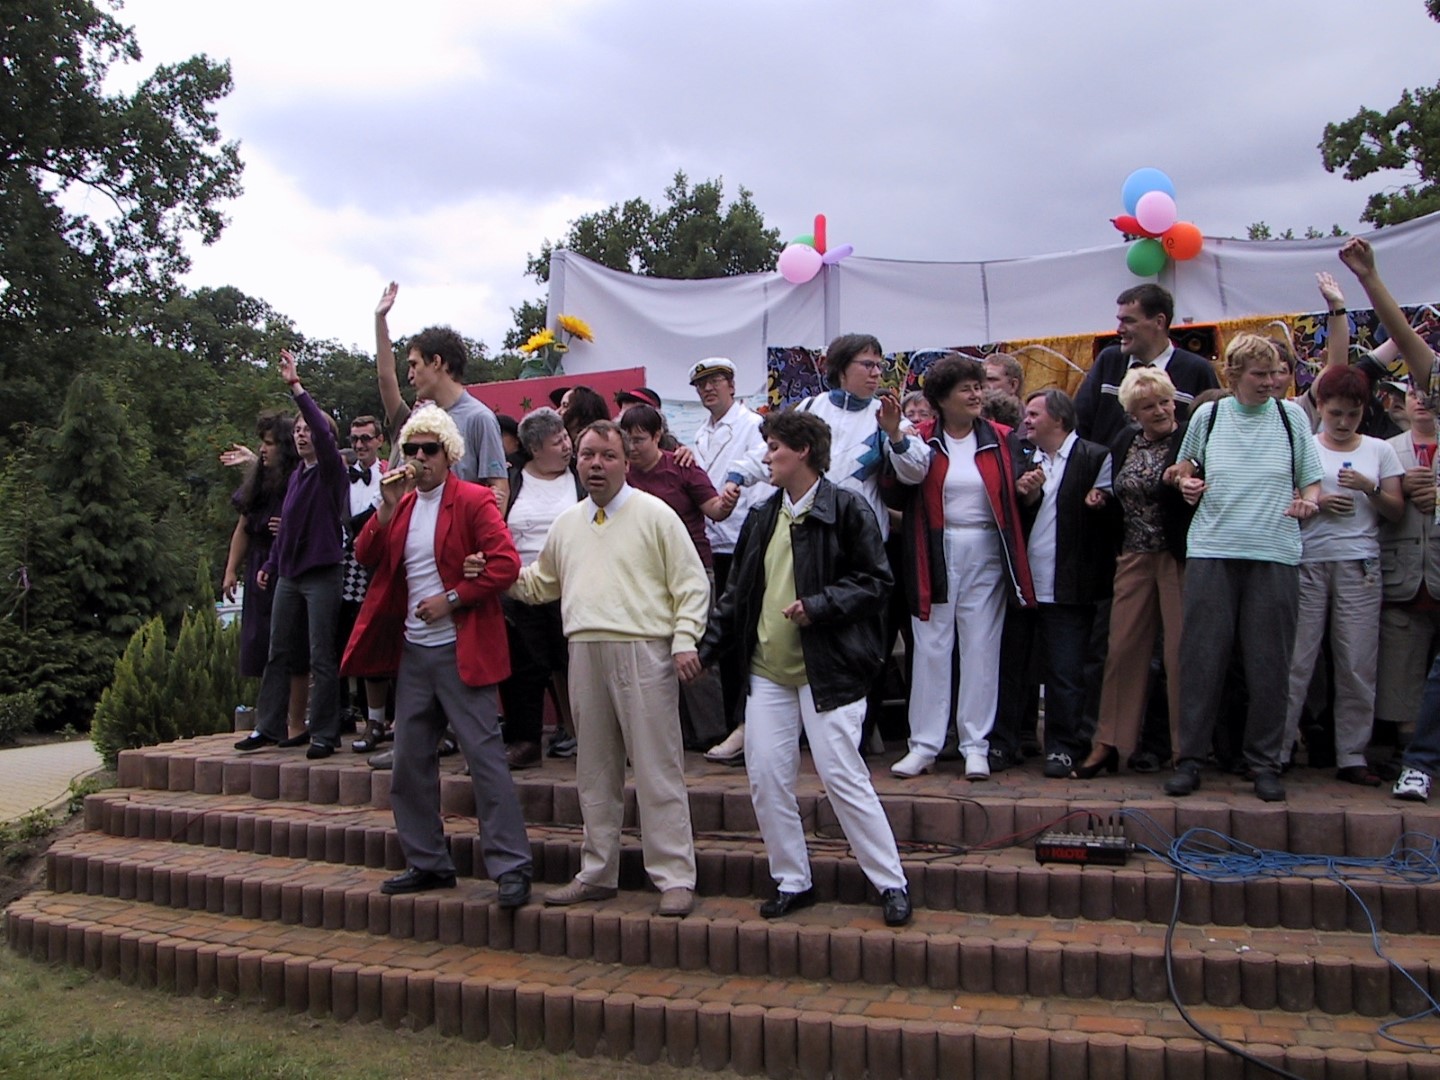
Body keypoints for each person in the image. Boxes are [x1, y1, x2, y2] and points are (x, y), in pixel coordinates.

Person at [698, 409, 911, 927]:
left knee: (842, 776)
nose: (767, 457)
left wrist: (820, 605)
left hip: (830, 669)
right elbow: (737, 595)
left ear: (803, 452)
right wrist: (704, 652)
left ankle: (891, 881)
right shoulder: (761, 516)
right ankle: (792, 879)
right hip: (767, 670)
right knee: (766, 778)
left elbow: (877, 582)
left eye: (774, 447)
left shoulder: (848, 508)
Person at [502, 421, 709, 918]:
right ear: (576, 461)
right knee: (593, 771)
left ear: (626, 463)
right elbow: (539, 584)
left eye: (608, 456)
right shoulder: (567, 524)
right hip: (584, 650)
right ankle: (597, 871)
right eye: (588, 455)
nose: (596, 465)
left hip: (644, 650)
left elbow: (691, 584)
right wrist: (495, 572)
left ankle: (675, 876)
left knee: (657, 768)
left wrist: (685, 640)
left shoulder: (655, 514)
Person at [342, 406, 532, 903]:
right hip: (415, 653)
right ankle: (427, 861)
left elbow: (505, 564)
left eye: (430, 449)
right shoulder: (401, 505)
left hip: (460, 647)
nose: (419, 458)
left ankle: (511, 867)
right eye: (411, 449)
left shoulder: (472, 500)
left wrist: (452, 598)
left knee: (485, 761)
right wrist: (385, 508)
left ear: (449, 455)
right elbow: (364, 555)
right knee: (408, 764)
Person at [1163, 333, 1323, 802]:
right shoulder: (1209, 415)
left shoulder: (1291, 416)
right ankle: (1190, 759)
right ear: (1233, 375)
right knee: (1201, 660)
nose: (1270, 382)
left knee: (1270, 663)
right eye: (1259, 374)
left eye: (1274, 373)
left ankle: (1264, 762)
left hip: (1274, 551)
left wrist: (1309, 503)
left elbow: (1311, 479)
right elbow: (1183, 467)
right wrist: (1187, 482)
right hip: (1213, 549)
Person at [890, 355, 1034, 781]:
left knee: (981, 646)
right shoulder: (920, 438)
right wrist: (894, 437)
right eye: (966, 389)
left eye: (978, 387)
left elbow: (1022, 491)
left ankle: (975, 745)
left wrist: (1028, 488)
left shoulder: (1002, 437)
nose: (976, 394)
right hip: (933, 548)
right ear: (941, 399)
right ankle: (924, 745)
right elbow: (901, 483)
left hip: (986, 548)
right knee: (931, 645)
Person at [1280, 366, 1403, 782]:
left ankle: (1352, 755)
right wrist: (1319, 502)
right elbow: (1285, 501)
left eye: (1353, 414)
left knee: (1356, 662)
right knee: (1297, 660)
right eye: (1335, 413)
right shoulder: (1306, 447)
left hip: (1359, 561)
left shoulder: (1379, 450)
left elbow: (1395, 510)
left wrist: (1370, 488)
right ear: (1320, 408)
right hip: (1309, 560)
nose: (1344, 422)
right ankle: (1279, 749)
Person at [1076, 368, 1192, 778]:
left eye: (1164, 402)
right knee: (1122, 649)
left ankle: (1185, 750)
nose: (1160, 411)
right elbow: (1117, 487)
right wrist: (1100, 497)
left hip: (1177, 556)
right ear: (1133, 413)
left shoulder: (1189, 439)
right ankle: (1108, 742)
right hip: (1133, 554)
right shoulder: (1125, 440)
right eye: (1148, 406)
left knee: (1179, 653)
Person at [235, 350, 349, 758]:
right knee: (278, 650)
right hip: (289, 573)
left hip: (321, 573)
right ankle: (267, 726)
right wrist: (270, 563)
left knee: (321, 655)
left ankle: (324, 734)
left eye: (307, 430)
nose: (301, 435)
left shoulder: (331, 471)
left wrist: (296, 387)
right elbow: (287, 526)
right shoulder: (298, 475)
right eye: (297, 430)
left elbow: (321, 429)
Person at [618, 403, 736, 751]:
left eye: (639, 439)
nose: (633, 447)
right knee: (657, 653)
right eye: (627, 440)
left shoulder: (681, 467)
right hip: (644, 576)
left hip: (692, 570)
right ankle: (676, 733)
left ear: (657, 436)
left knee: (695, 650)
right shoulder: (622, 475)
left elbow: (713, 509)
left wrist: (727, 502)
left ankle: (713, 733)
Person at [1014, 389, 1114, 777]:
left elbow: (1111, 514)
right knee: (1016, 668)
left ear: (1058, 419)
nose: (1027, 421)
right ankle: (1010, 740)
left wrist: (1100, 503)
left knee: (1065, 671)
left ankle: (1064, 746)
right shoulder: (1025, 459)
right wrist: (1027, 496)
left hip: (1071, 583)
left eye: (1034, 414)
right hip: (1024, 584)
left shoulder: (1094, 456)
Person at [688, 357, 772, 766]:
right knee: (724, 637)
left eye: (716, 381)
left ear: (732, 385)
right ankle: (730, 723)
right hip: (714, 544)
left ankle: (748, 725)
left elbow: (761, 476)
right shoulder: (699, 433)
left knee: (745, 638)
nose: (709, 389)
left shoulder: (753, 425)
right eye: (702, 385)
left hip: (744, 539)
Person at [373, 282, 509, 508]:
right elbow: (385, 379)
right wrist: (380, 319)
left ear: (436, 362)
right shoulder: (417, 418)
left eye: (414, 365)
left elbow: (499, 488)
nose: (410, 375)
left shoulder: (479, 418)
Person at [498, 407, 583, 769]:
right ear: (534, 449)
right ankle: (526, 741)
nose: (566, 446)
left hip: (572, 587)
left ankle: (588, 737)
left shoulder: (581, 477)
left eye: (565, 437)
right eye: (556, 442)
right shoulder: (512, 480)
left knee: (575, 664)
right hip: (521, 588)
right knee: (525, 668)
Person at [221, 412, 309, 737]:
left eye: (269, 443)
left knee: (290, 646)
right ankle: (269, 719)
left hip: (287, 567)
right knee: (260, 645)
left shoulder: (298, 481)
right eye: (262, 443)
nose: (263, 449)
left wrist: (289, 529)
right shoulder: (258, 483)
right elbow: (243, 527)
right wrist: (231, 569)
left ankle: (294, 721)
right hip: (258, 567)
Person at [1377, 385, 1440, 778]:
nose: (1421, 401)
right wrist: (1395, 493)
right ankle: (1407, 747)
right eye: (1414, 394)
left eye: (1428, 394)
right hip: (1401, 572)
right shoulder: (1386, 449)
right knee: (1402, 662)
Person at [1074, 284, 1220, 447]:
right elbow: (1078, 424)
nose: (1119, 329)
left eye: (1128, 321)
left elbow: (1212, 433)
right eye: (1120, 321)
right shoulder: (1109, 361)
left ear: (1159, 322)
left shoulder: (1196, 370)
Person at [340, 414, 393, 753]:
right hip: (346, 570)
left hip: (381, 567)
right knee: (349, 640)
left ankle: (389, 720)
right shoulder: (341, 478)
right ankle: (355, 715)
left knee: (382, 640)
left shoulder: (389, 475)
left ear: (380, 441)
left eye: (366, 439)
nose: (360, 445)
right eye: (355, 439)